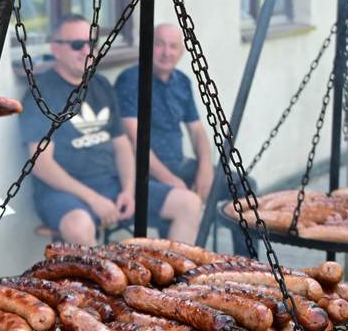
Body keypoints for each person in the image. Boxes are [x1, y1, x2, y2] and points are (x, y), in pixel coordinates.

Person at [21, 15, 203, 245]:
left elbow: (122, 145)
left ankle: (173, 270)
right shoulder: (41, 93)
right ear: (56, 49)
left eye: (92, 43)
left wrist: (128, 190)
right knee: (79, 227)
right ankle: (98, 270)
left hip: (111, 184)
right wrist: (93, 199)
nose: (86, 51)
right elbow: (41, 163)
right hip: (63, 194)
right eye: (77, 44)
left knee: (189, 204)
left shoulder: (101, 85)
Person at [114, 23, 214, 201]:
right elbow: (134, 140)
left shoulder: (183, 82)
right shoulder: (130, 80)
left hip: (179, 164)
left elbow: (197, 130)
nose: (166, 53)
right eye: (159, 44)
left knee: (241, 185)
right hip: (144, 172)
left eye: (173, 46)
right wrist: (170, 180)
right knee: (185, 202)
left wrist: (205, 169)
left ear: (181, 52)